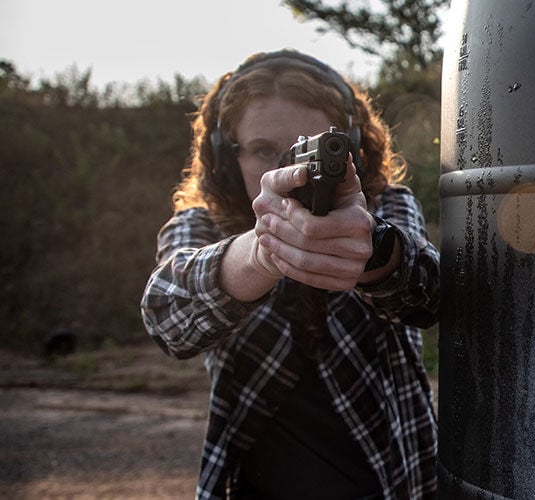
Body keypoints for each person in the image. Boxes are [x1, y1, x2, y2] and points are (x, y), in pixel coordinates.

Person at [140, 49, 438, 499]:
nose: (286, 169)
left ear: (351, 146)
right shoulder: (201, 225)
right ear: (226, 157)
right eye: (263, 150)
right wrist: (261, 254)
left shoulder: (385, 207)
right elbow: (167, 316)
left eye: (311, 145)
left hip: (393, 481)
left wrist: (374, 249)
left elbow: (429, 294)